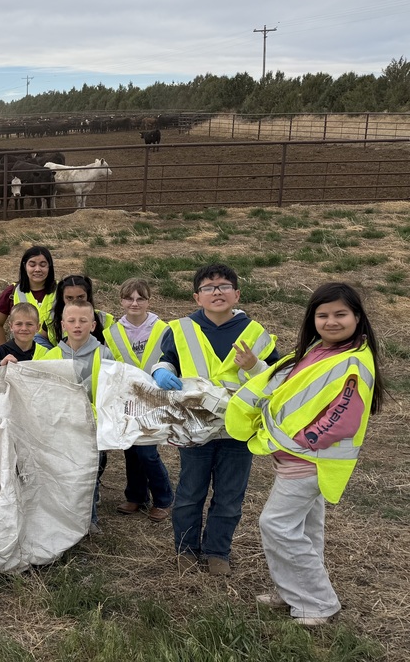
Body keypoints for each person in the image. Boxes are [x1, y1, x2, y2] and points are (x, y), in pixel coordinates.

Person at [226, 282, 384, 626]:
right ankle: (292, 591)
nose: (331, 321)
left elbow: (343, 415)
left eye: (340, 314)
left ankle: (317, 603)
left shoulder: (353, 361)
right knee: (304, 528)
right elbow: (287, 388)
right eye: (322, 315)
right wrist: (254, 370)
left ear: (357, 317)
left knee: (277, 525)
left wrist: (302, 440)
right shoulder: (319, 350)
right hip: (297, 458)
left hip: (310, 460)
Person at [153, 263, 279, 576]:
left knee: (229, 497)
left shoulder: (255, 333)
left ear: (237, 294)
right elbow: (166, 359)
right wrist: (161, 372)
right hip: (195, 428)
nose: (217, 292)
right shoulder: (180, 329)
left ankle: (217, 551)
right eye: (209, 288)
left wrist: (253, 365)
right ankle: (185, 548)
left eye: (224, 286)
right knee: (189, 492)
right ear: (197, 297)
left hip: (238, 431)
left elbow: (276, 382)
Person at [42, 300, 116, 532]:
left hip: (92, 426)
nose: (77, 326)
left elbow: (111, 392)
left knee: (90, 472)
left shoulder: (104, 355)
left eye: (83, 321)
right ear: (63, 325)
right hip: (61, 426)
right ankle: (66, 516)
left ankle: (89, 519)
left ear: (93, 325)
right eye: (71, 321)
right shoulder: (51, 355)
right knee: (64, 471)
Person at [104, 279, 174, 522]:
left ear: (149, 301)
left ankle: (164, 498)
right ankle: (136, 495)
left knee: (146, 451)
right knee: (130, 448)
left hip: (154, 396)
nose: (134, 303)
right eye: (129, 298)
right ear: (121, 300)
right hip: (125, 397)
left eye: (140, 298)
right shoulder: (111, 332)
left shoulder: (164, 329)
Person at [0, 246, 57, 347]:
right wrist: (4, 351)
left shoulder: (62, 290)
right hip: (22, 353)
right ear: (24, 266)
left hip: (57, 354)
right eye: (32, 265)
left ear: (49, 266)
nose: (37, 269)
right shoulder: (12, 292)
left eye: (43, 265)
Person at [42, 274, 115, 350]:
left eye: (80, 297)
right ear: (62, 298)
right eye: (69, 298)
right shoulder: (51, 318)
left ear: (88, 296)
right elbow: (40, 338)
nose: (75, 302)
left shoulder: (105, 319)